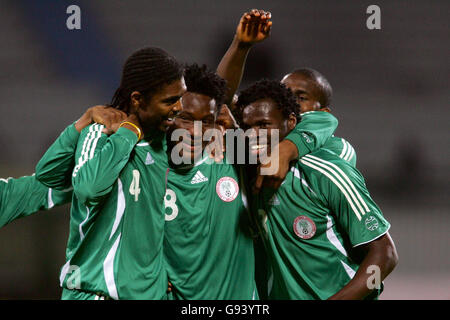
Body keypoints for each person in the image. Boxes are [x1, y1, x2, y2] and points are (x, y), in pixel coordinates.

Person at [36, 47, 186, 300]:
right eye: (170, 101)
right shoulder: (101, 133)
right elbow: (89, 189)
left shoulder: (168, 144)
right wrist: (128, 132)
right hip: (94, 293)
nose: (179, 108)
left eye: (180, 97)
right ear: (138, 99)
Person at [236, 79, 398, 300]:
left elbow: (385, 255)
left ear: (291, 122)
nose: (252, 135)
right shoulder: (246, 175)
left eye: (264, 125)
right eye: (246, 127)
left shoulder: (326, 172)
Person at [162, 63, 257, 299]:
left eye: (206, 121)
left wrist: (242, 45)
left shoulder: (232, 156)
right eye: (185, 118)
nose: (195, 131)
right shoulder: (145, 164)